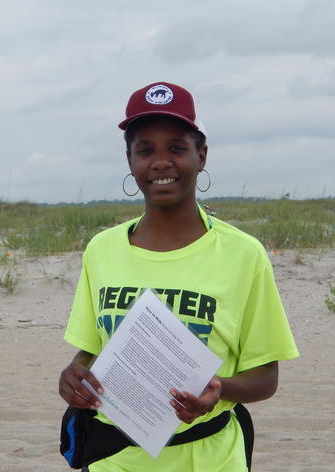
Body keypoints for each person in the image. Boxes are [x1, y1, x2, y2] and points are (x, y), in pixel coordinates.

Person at [58, 81, 299, 471]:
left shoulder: (243, 254)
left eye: (176, 147)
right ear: (130, 161)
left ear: (201, 156)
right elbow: (90, 349)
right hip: (114, 459)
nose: (160, 162)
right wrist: (74, 377)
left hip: (209, 458)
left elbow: (266, 378)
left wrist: (219, 390)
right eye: (145, 150)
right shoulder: (102, 250)